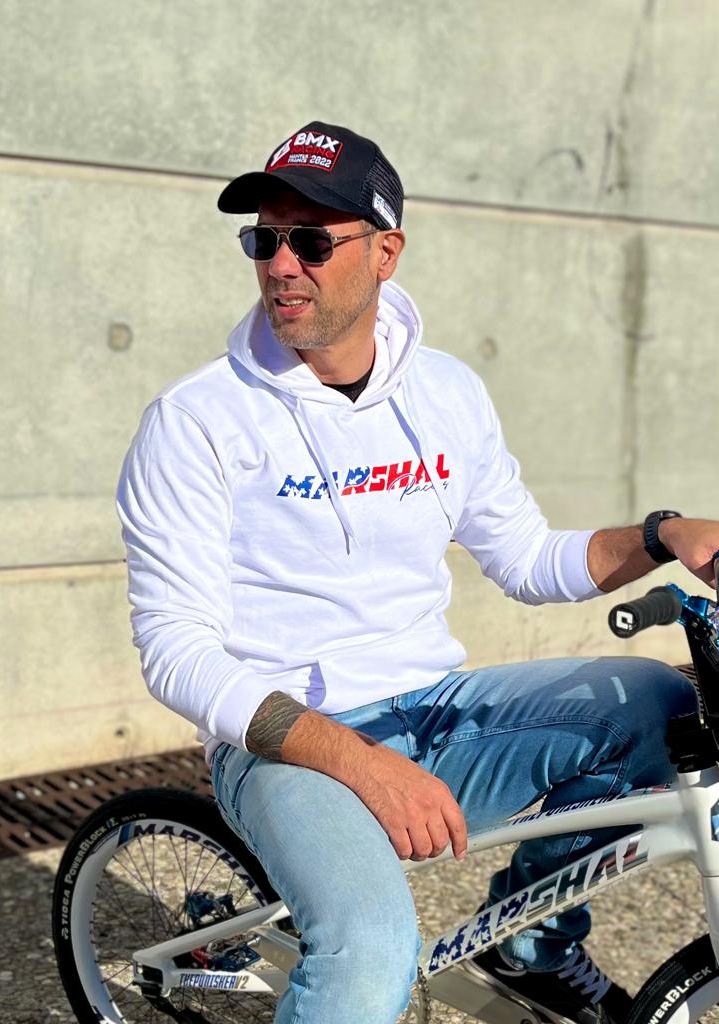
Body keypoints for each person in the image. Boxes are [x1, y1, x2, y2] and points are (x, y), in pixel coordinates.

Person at [117, 120, 719, 1024]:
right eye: (264, 240)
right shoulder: (195, 421)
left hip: (433, 710)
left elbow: (528, 558)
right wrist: (361, 764)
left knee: (661, 709)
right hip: (284, 747)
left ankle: (531, 950)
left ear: (385, 252)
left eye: (311, 240)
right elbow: (176, 652)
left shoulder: (445, 392)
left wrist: (665, 534)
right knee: (373, 957)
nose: (282, 266)